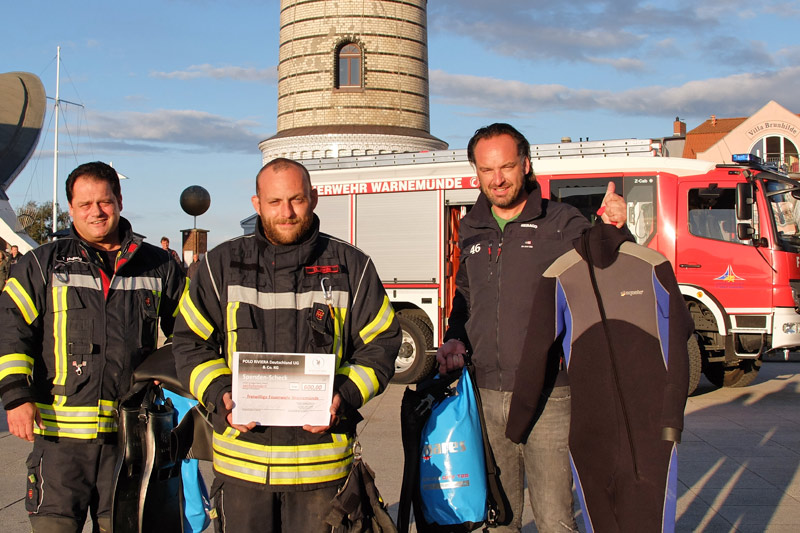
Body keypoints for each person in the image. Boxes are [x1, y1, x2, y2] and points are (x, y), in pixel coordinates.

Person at [172, 158, 401, 532]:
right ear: (256, 203)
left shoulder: (351, 266)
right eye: (275, 202)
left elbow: (382, 345)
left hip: (322, 475)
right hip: (243, 474)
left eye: (296, 200)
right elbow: (189, 343)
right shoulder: (220, 266)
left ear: (313, 197)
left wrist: (343, 395)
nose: (287, 212)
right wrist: (221, 392)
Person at [436, 123, 627, 533]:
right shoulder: (471, 225)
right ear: (476, 172)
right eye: (487, 170)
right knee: (500, 517)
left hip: (550, 396)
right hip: (485, 392)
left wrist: (614, 230)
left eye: (506, 166)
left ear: (526, 164)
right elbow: (466, 294)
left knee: (555, 518)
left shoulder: (562, 221)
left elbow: (606, 270)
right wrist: (454, 335)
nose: (498, 178)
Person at [0, 161, 186, 533]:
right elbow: (11, 329)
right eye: (85, 204)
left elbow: (189, 335)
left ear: (119, 201)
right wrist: (17, 396)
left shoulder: (159, 265)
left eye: (104, 201)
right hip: (58, 448)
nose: (96, 212)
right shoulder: (42, 264)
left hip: (128, 442)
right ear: (70, 208)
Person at [506, 224, 692, 532]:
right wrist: (672, 417)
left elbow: (534, 354)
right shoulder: (562, 275)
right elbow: (681, 344)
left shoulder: (651, 267)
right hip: (651, 428)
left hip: (594, 432)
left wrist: (517, 425)